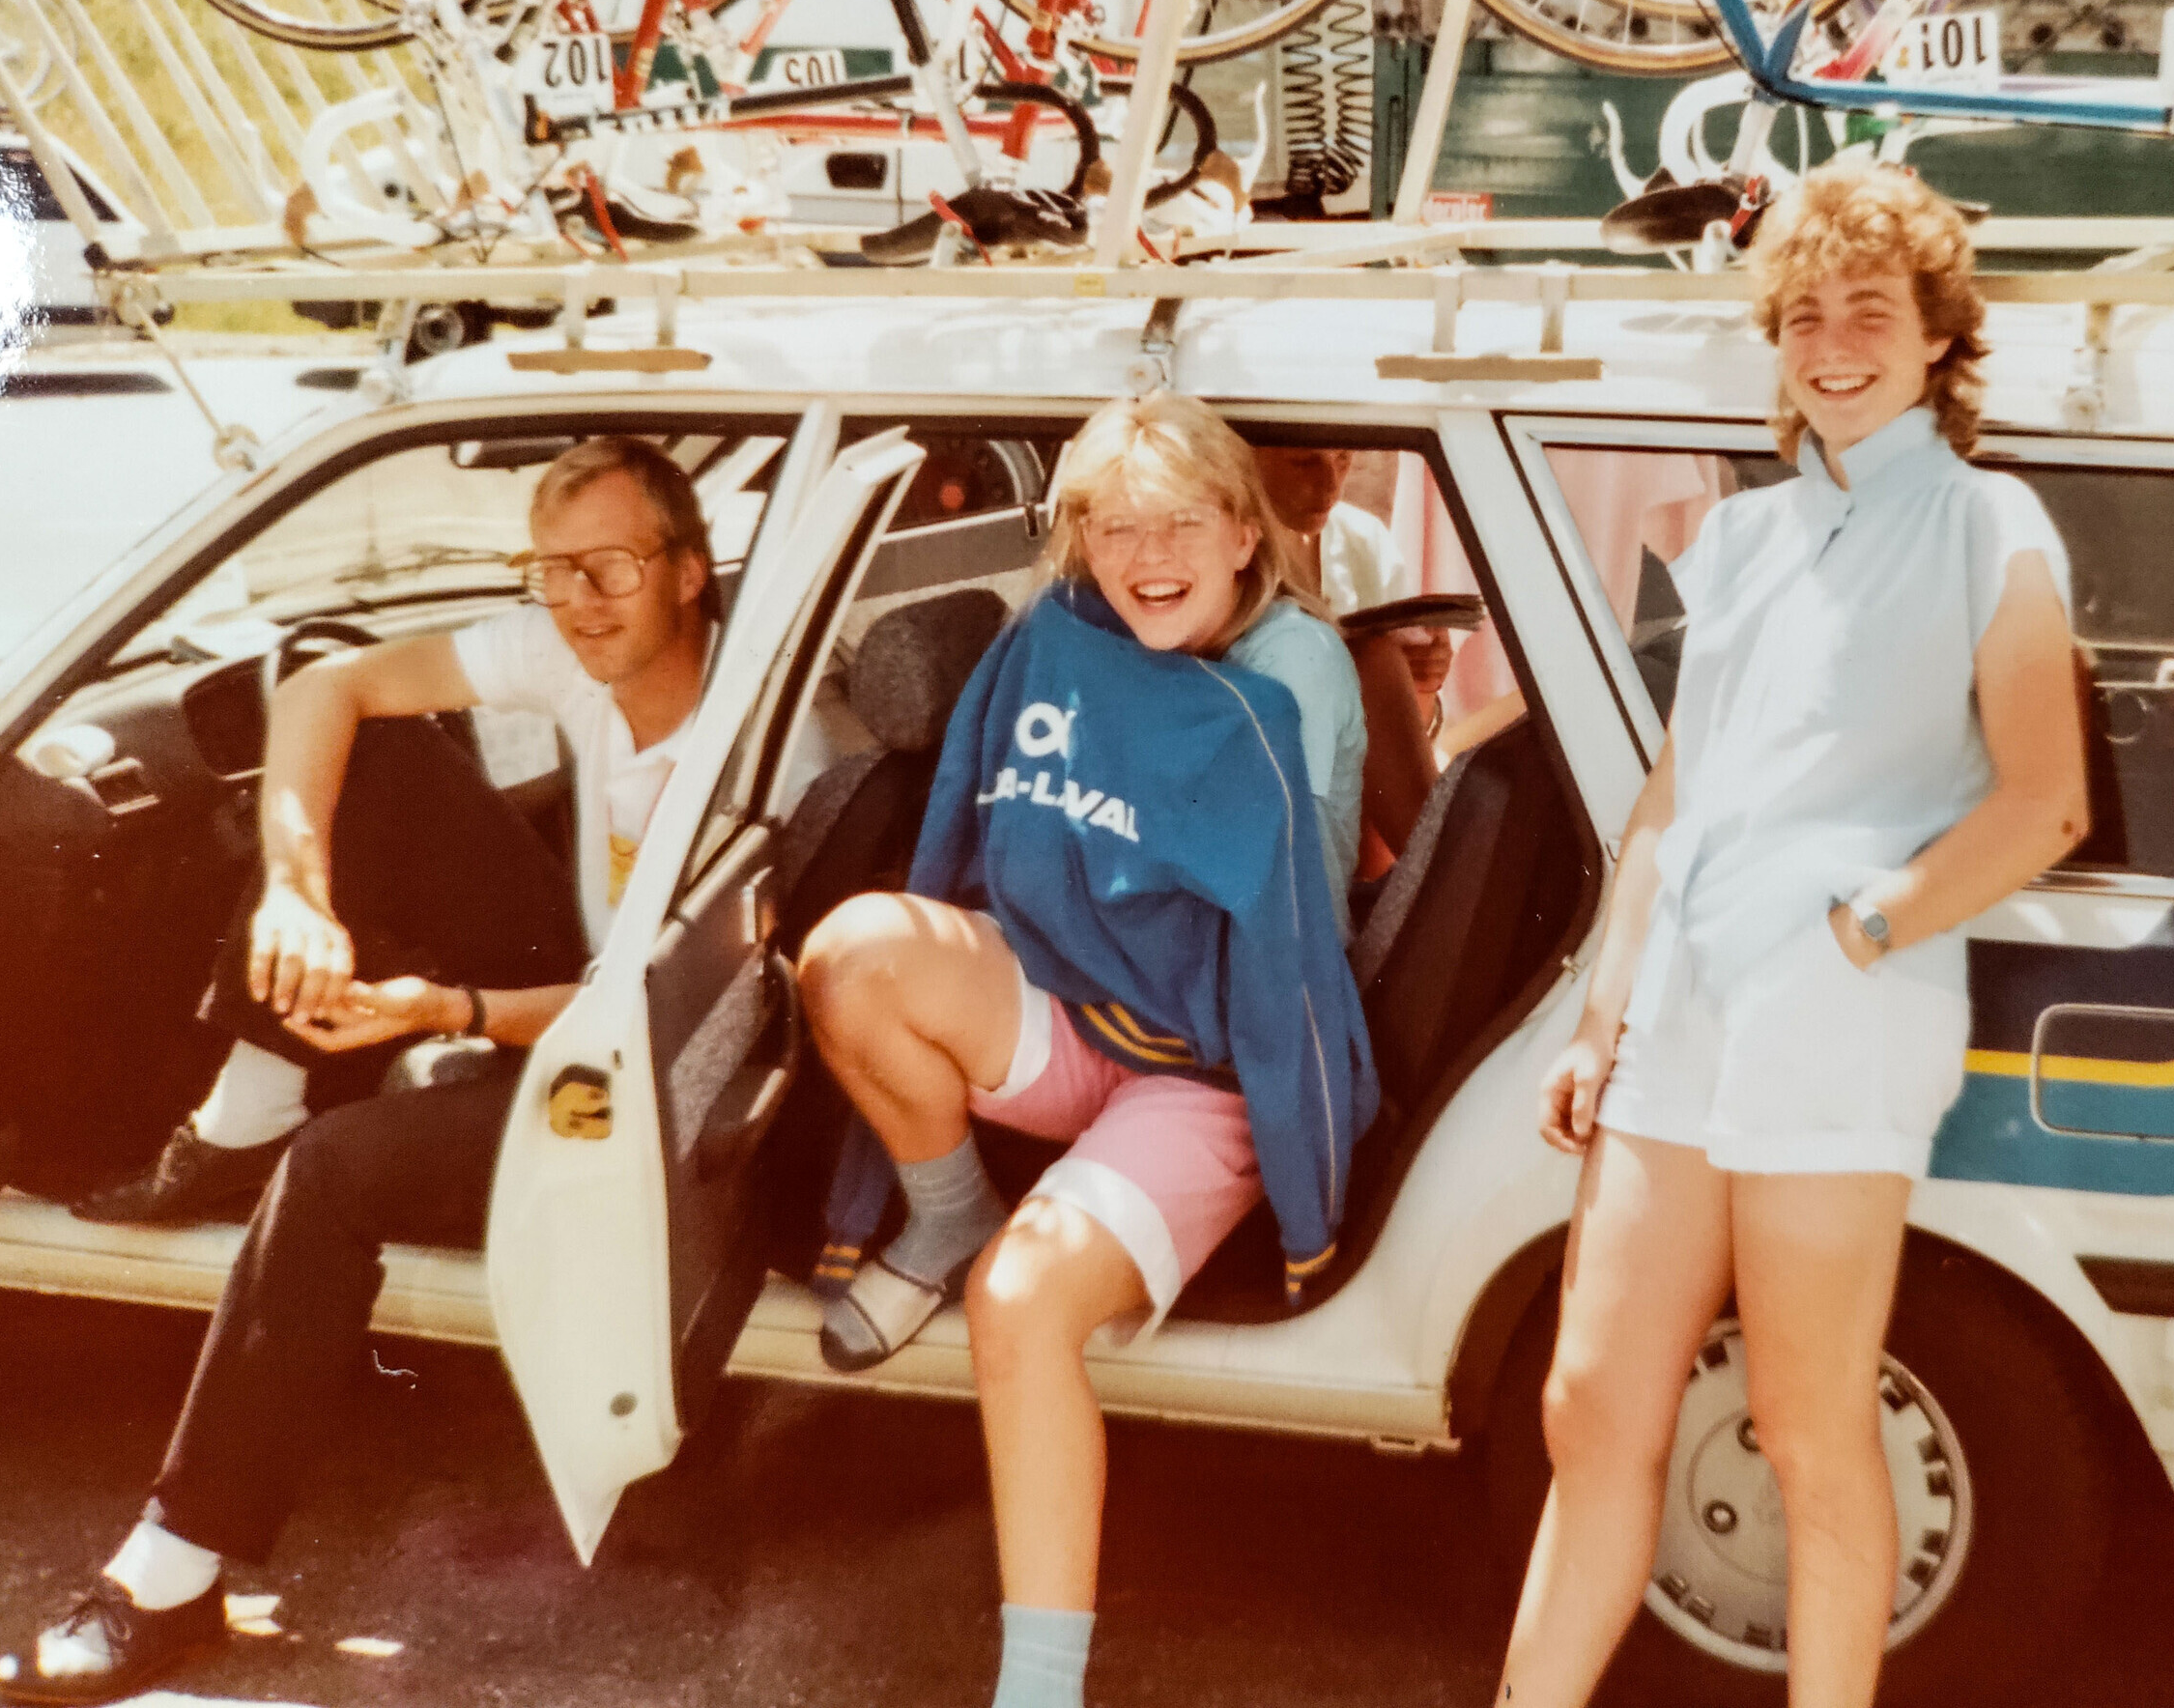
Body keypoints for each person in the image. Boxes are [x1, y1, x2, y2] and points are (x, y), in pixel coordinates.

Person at [0, 438, 778, 1704]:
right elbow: (323, 689)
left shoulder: (759, 728)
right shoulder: (577, 648)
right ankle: (248, 1100)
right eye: (553, 569)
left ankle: (170, 1565)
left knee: (336, 1170)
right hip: (584, 985)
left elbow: (684, 1005)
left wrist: (451, 1005)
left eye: (613, 566)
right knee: (377, 757)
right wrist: (296, 901)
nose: (578, 598)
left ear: (689, 572)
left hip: (670, 1071)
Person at [1494, 161, 2089, 1708]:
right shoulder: (1745, 537)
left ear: (1937, 337)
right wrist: (1602, 1011)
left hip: (1839, 1007)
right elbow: (1671, 803)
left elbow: (2045, 804)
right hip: (1684, 1006)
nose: (1834, 343)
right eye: (1806, 314)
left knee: (1813, 1421)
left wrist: (1862, 927)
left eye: (1870, 311)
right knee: (1591, 1403)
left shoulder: (1989, 518)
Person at [795, 393, 1374, 1708]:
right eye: (1114, 524)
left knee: (1020, 1301)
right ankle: (942, 1209)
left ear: (1244, 531)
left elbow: (1296, 936)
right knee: (850, 953)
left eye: (1180, 520)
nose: (1147, 551)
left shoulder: (1294, 673)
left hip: (1208, 1059)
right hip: (1067, 1001)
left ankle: (1039, 1689)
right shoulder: (1068, 637)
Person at [1255, 445, 1448, 858]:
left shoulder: (1364, 540)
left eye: (1343, 459)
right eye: (1303, 462)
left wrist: (1424, 684)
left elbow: (1405, 728)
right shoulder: (1222, 550)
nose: (1329, 486)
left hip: (1366, 805)